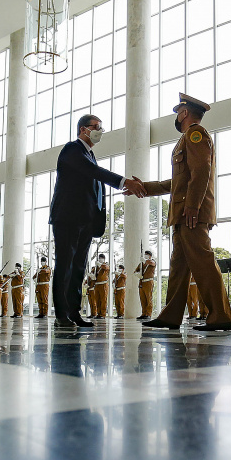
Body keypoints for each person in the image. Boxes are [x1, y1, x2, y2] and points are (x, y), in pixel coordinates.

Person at [136, 94, 231, 331]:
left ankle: (221, 315)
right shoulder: (186, 139)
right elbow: (180, 181)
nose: (176, 117)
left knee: (203, 262)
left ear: (184, 113)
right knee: (179, 267)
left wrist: (192, 206)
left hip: (192, 212)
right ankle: (170, 315)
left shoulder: (194, 134)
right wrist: (145, 188)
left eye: (177, 112)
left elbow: (201, 170)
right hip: (184, 213)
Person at [48, 114, 145, 328]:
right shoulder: (72, 149)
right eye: (97, 127)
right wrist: (123, 181)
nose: (100, 130)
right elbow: (94, 172)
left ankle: (74, 312)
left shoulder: (90, 155)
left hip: (84, 221)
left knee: (79, 267)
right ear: (84, 129)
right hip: (67, 219)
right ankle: (61, 314)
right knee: (65, 265)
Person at [135, 251, 156, 320]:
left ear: (150, 256)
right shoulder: (141, 264)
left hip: (148, 281)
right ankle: (144, 313)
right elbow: (136, 271)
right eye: (145, 254)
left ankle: (148, 314)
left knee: (148, 298)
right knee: (143, 299)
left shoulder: (152, 262)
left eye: (147, 254)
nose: (145, 255)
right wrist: (138, 274)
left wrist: (145, 260)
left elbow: (152, 263)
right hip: (142, 282)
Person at [94, 254, 110, 319]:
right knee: (97, 300)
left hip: (103, 284)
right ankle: (98, 313)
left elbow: (106, 268)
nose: (100, 259)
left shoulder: (106, 264)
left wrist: (100, 264)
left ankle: (103, 314)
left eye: (101, 258)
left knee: (103, 300)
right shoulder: (96, 267)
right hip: (97, 284)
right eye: (99, 258)